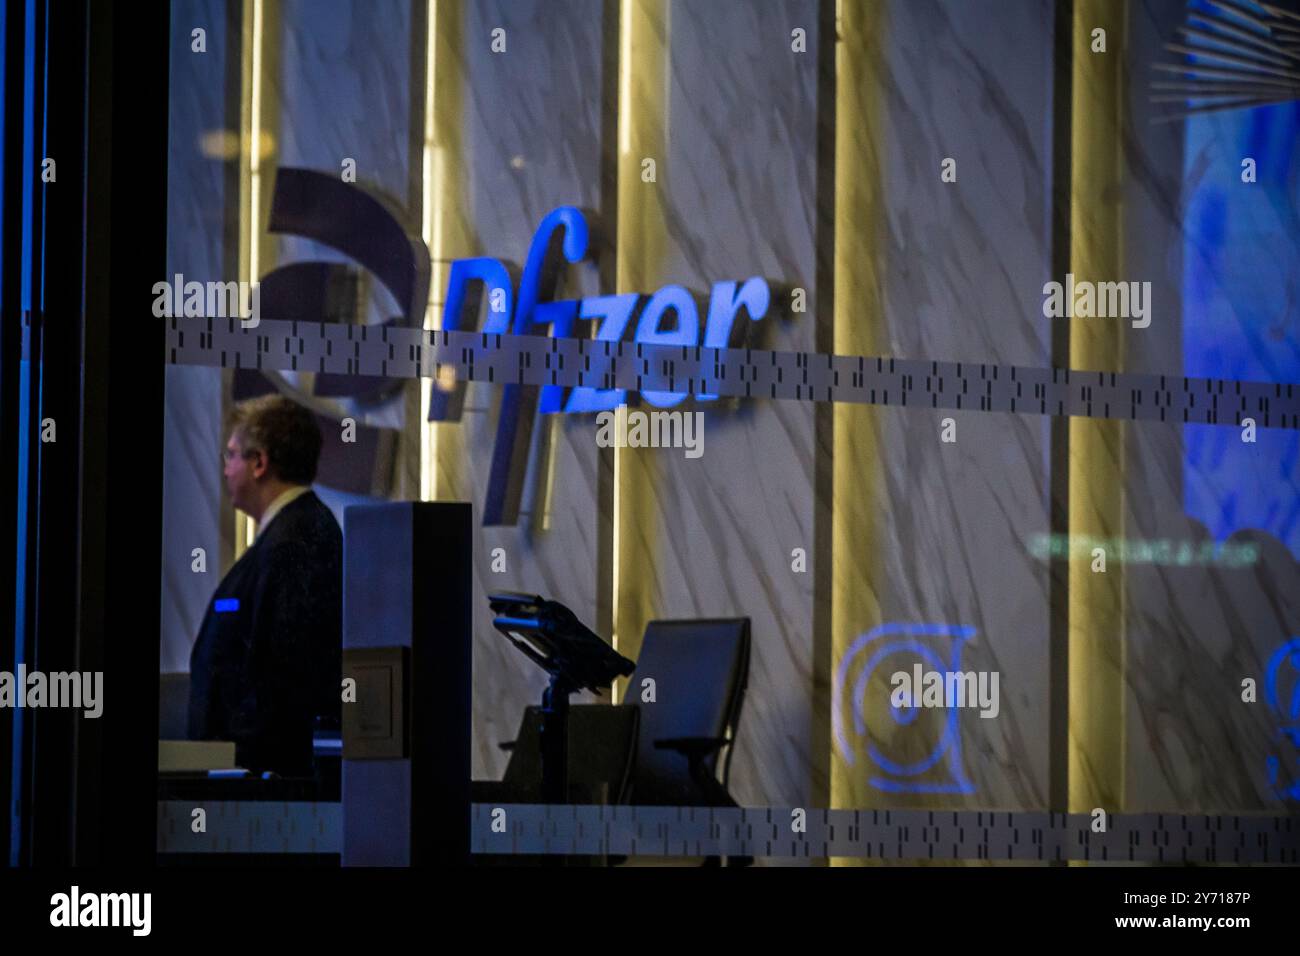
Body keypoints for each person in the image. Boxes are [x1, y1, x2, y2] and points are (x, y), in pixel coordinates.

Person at [188, 394, 341, 775]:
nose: (225, 470)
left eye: (232, 455)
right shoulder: (290, 534)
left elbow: (282, 674)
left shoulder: (297, 541)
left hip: (261, 777)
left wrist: (244, 760)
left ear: (259, 463)